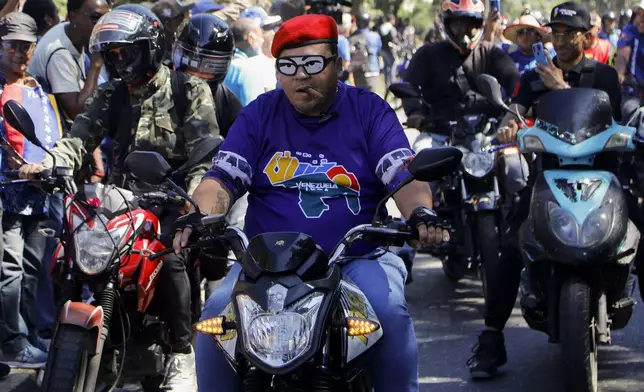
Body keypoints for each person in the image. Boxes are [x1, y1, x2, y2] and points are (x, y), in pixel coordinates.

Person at [178, 14, 450, 392]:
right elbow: (222, 179)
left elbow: (403, 175)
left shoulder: (369, 111)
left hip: (357, 258)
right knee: (215, 319)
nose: (300, 76)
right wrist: (197, 216)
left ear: (337, 65)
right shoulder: (259, 114)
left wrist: (421, 213)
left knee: (388, 313)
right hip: (266, 265)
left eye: (312, 64)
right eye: (288, 66)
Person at [18, 5, 221, 389]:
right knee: (69, 248)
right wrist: (49, 164)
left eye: (125, 51)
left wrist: (194, 200)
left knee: (172, 256)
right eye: (111, 54)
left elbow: (206, 155)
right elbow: (79, 138)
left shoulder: (187, 89)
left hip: (172, 199)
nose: (118, 60)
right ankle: (67, 335)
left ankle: (181, 353)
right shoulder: (111, 94)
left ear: (151, 48)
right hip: (121, 200)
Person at [469, 2, 622, 379]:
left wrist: (560, 86)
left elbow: (614, 117)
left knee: (639, 232)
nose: (561, 38)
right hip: (549, 176)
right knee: (511, 244)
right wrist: (508, 126)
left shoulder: (602, 75)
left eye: (570, 32)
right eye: (556, 31)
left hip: (600, 176)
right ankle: (491, 339)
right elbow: (514, 111)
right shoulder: (532, 76)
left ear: (587, 37)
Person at [0, 11, 63, 368]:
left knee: (37, 266)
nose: (21, 54)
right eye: (14, 47)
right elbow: (9, 146)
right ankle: (13, 342)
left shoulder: (37, 87)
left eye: (27, 47)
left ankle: (35, 331)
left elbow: (51, 134)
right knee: (10, 269)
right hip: (9, 194)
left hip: (40, 192)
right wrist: (16, 164)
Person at [27, 0, 110, 123]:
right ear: (73, 16)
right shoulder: (59, 54)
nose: (102, 26)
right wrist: (96, 65)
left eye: (106, 19)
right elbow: (77, 113)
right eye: (96, 18)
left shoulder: (69, 31)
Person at [223, 17, 267, 106]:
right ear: (251, 38)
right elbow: (255, 113)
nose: (262, 40)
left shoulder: (221, 64)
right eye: (260, 36)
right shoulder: (249, 70)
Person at [240, 6, 282, 92]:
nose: (273, 33)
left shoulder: (235, 63)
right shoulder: (263, 65)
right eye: (266, 29)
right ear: (252, 37)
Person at [150, 0, 193, 64]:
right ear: (167, 24)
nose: (188, 17)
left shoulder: (180, 46)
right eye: (182, 16)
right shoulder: (163, 61)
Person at [350, 12, 382, 92]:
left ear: (357, 22)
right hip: (374, 70)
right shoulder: (376, 36)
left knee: (361, 99)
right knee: (372, 99)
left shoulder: (354, 37)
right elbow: (379, 52)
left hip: (360, 72)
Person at [379, 14, 399, 88]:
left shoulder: (381, 27)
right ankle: (392, 84)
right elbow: (394, 39)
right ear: (392, 20)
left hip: (382, 49)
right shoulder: (391, 28)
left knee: (386, 67)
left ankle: (386, 84)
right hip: (389, 50)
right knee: (392, 66)